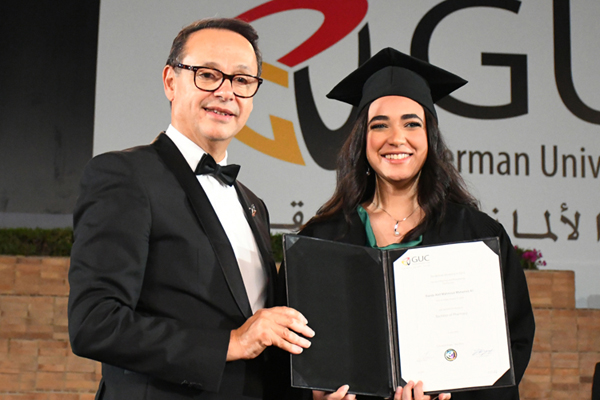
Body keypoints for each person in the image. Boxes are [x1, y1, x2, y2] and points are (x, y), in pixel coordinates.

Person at [68, 18, 314, 400]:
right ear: (170, 81)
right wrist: (231, 343)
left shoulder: (254, 205)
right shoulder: (124, 175)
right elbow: (95, 323)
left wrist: (311, 392)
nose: (226, 92)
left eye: (242, 80)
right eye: (208, 75)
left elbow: (261, 347)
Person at [284, 48, 535, 400]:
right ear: (363, 139)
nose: (396, 138)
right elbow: (288, 353)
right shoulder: (320, 240)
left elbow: (511, 343)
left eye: (411, 123)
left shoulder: (477, 235)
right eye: (379, 125)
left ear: (430, 136)